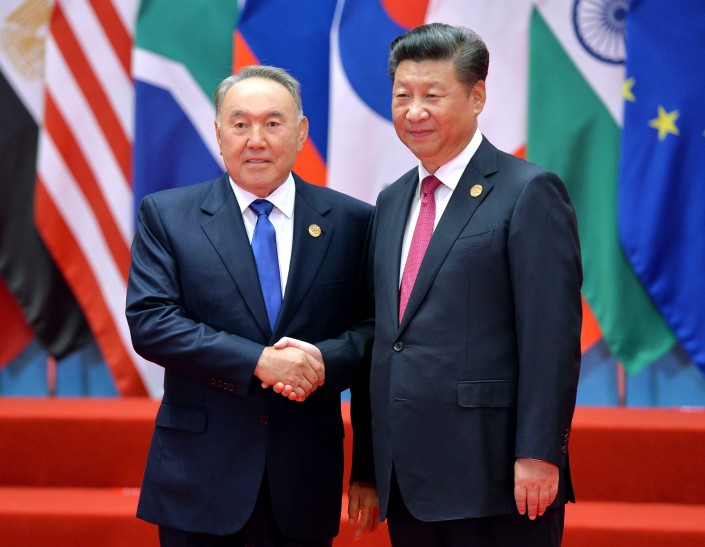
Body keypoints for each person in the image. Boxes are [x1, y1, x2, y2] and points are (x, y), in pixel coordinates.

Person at [126, 65, 378, 546]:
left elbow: (376, 334)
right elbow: (152, 322)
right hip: (199, 479)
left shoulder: (353, 221)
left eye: (273, 123)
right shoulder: (168, 215)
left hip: (305, 479)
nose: (256, 140)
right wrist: (259, 361)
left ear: (301, 133)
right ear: (219, 133)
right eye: (240, 124)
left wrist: (322, 364)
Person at [367, 23, 582, 546]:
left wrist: (539, 451)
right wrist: (370, 466)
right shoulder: (392, 200)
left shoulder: (528, 191)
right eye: (403, 95)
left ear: (477, 96)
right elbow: (387, 339)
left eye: (432, 95)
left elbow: (550, 337)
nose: (414, 111)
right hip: (408, 478)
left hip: (494, 474)